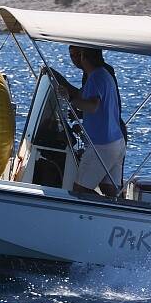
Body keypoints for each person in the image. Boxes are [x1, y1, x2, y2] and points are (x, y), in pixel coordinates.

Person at [51, 46, 126, 196]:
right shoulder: (104, 74)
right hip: (116, 142)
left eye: (78, 55)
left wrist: (69, 99)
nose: (76, 59)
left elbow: (92, 106)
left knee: (80, 191)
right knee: (110, 191)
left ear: (84, 57)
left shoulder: (95, 77)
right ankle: (126, 216)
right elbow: (83, 96)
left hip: (101, 146)